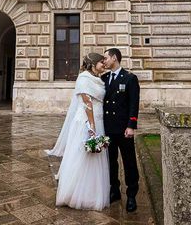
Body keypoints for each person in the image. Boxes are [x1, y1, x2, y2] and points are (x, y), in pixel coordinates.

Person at [46, 53, 110, 211]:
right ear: (93, 64)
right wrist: (92, 127)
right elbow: (87, 103)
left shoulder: (98, 78)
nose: (104, 65)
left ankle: (92, 191)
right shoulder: (84, 78)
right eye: (101, 63)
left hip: (98, 120)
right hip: (87, 123)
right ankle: (75, 193)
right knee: (83, 156)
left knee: (95, 157)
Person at [102, 47, 140, 213]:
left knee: (129, 162)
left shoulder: (130, 78)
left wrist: (131, 126)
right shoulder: (104, 78)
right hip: (108, 128)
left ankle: (131, 195)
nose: (104, 61)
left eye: (106, 58)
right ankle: (114, 190)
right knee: (111, 162)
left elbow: (134, 104)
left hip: (124, 129)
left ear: (114, 58)